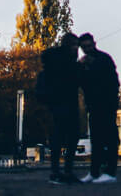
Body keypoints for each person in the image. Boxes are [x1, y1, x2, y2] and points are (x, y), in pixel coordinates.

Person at [78, 32, 119, 185]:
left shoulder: (104, 59)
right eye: (84, 47)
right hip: (94, 106)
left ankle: (110, 172)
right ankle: (94, 172)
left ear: (94, 43)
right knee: (96, 140)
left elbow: (112, 82)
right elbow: (83, 84)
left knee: (109, 138)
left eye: (89, 46)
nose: (87, 49)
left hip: (106, 104)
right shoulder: (85, 64)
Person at [40, 32, 80, 186]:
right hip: (62, 104)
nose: (76, 49)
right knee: (65, 138)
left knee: (65, 137)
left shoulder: (55, 61)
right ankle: (60, 171)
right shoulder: (64, 64)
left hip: (61, 104)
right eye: (74, 45)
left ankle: (59, 171)